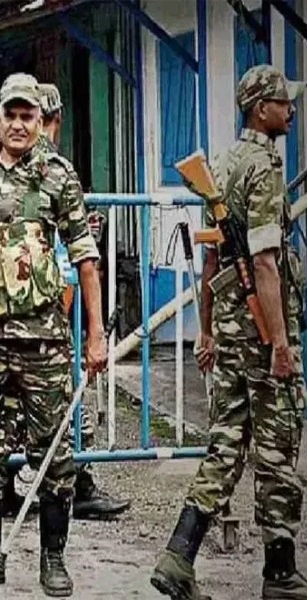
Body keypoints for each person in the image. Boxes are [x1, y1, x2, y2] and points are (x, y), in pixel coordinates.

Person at [0, 73, 108, 597]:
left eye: (27, 115)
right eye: (10, 114)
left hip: (45, 342)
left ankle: (53, 559)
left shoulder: (59, 176)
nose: (17, 124)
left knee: (54, 452)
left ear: (39, 119)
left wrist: (96, 334)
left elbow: (86, 259)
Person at [151, 64, 307, 600]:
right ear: (261, 109)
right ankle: (280, 572)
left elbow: (212, 254)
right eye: (285, 103)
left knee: (225, 444)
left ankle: (178, 556)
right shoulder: (262, 166)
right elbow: (263, 262)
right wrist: (282, 345)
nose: (292, 110)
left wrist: (210, 330)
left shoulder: (225, 163)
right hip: (264, 334)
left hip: (235, 333)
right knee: (277, 448)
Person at [35, 81, 131, 521]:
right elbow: (72, 263)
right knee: (63, 406)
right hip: (44, 313)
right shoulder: (48, 172)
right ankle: (77, 485)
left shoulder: (47, 172)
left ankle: (77, 482)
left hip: (38, 310)